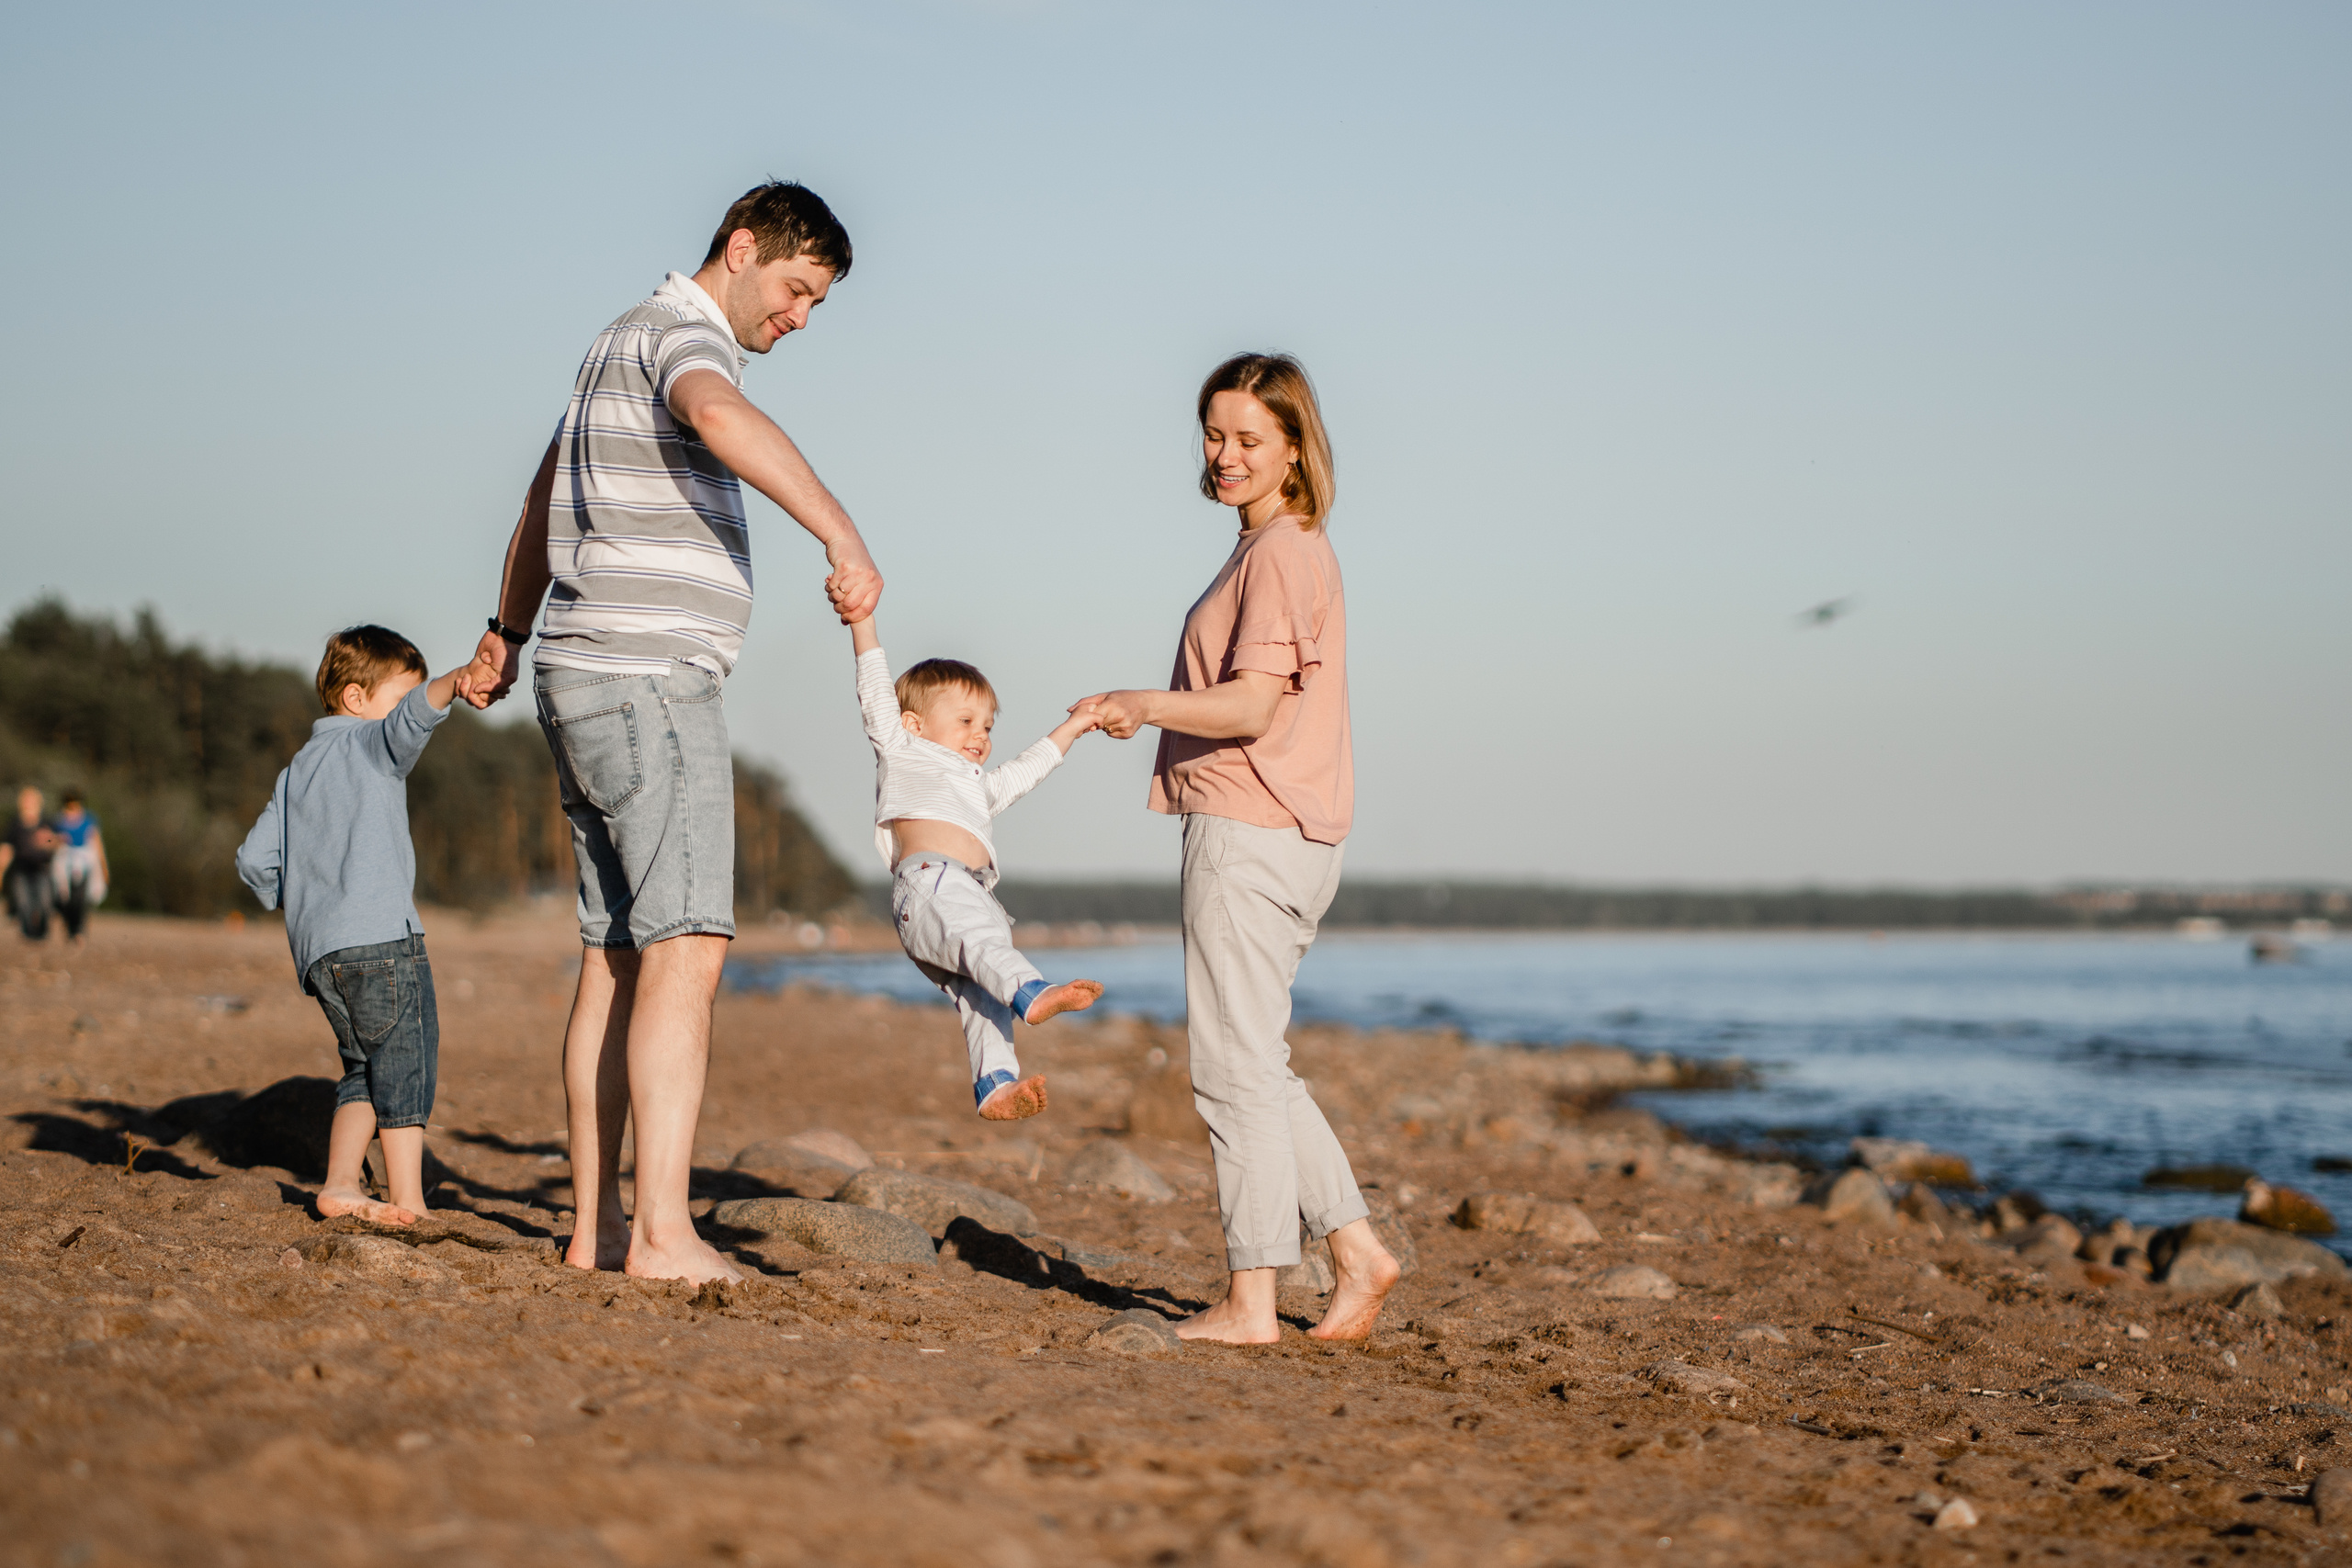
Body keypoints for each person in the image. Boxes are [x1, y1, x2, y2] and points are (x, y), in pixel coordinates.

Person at [456, 181, 883, 1283]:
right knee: (685, 953)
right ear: (740, 249)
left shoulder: (613, 342)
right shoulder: (685, 343)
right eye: (793, 291)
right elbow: (717, 415)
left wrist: (506, 630)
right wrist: (843, 531)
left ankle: (597, 1228)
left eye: (814, 307)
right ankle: (661, 1235)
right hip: (650, 687)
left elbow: (542, 501)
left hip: (577, 675)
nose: (796, 320)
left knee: (613, 959)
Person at [1078, 352, 1399, 1343]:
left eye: (1248, 439)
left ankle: (1253, 1297)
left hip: (1249, 828)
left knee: (1229, 1070)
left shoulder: (1280, 554)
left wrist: (1142, 702)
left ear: (1295, 449)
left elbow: (1252, 705)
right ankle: (1355, 1252)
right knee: (1258, 1063)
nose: (1224, 455)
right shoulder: (1278, 549)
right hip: (1282, 832)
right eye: (1214, 435)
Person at [236, 626, 469, 1227]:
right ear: (355, 699)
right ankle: (409, 1198)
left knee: (362, 1066)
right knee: (404, 1063)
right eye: (399, 698)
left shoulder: (296, 771)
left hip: (321, 956)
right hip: (383, 940)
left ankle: (341, 1183)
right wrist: (456, 682)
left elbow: (254, 861)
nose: (403, 715)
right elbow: (413, 721)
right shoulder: (371, 744)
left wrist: (305, 904)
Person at [851, 613, 1104, 1120]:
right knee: (988, 956)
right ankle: (1031, 991)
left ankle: (996, 1084)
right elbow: (876, 691)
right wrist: (863, 622)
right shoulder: (904, 753)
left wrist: (1074, 727)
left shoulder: (976, 788)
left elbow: (1026, 770)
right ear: (913, 725)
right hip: (932, 885)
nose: (981, 735)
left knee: (982, 1000)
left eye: (987, 725)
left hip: (971, 895)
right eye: (965, 721)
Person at [49, 790, 107, 943]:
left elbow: (96, 842)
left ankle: (78, 929)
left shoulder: (89, 820)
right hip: (64, 860)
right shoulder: (58, 821)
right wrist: (56, 840)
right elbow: (50, 842)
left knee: (80, 897)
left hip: (84, 861)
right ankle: (69, 925)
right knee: (64, 896)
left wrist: (103, 866)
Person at [1, 787, 59, 942]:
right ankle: (28, 935)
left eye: (32, 799)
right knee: (23, 902)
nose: (28, 803)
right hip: (21, 870)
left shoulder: (46, 822)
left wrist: (47, 841)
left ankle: (42, 932)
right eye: (26, 799)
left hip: (42, 869)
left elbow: (55, 842)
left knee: (45, 903)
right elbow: (7, 849)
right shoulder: (14, 825)